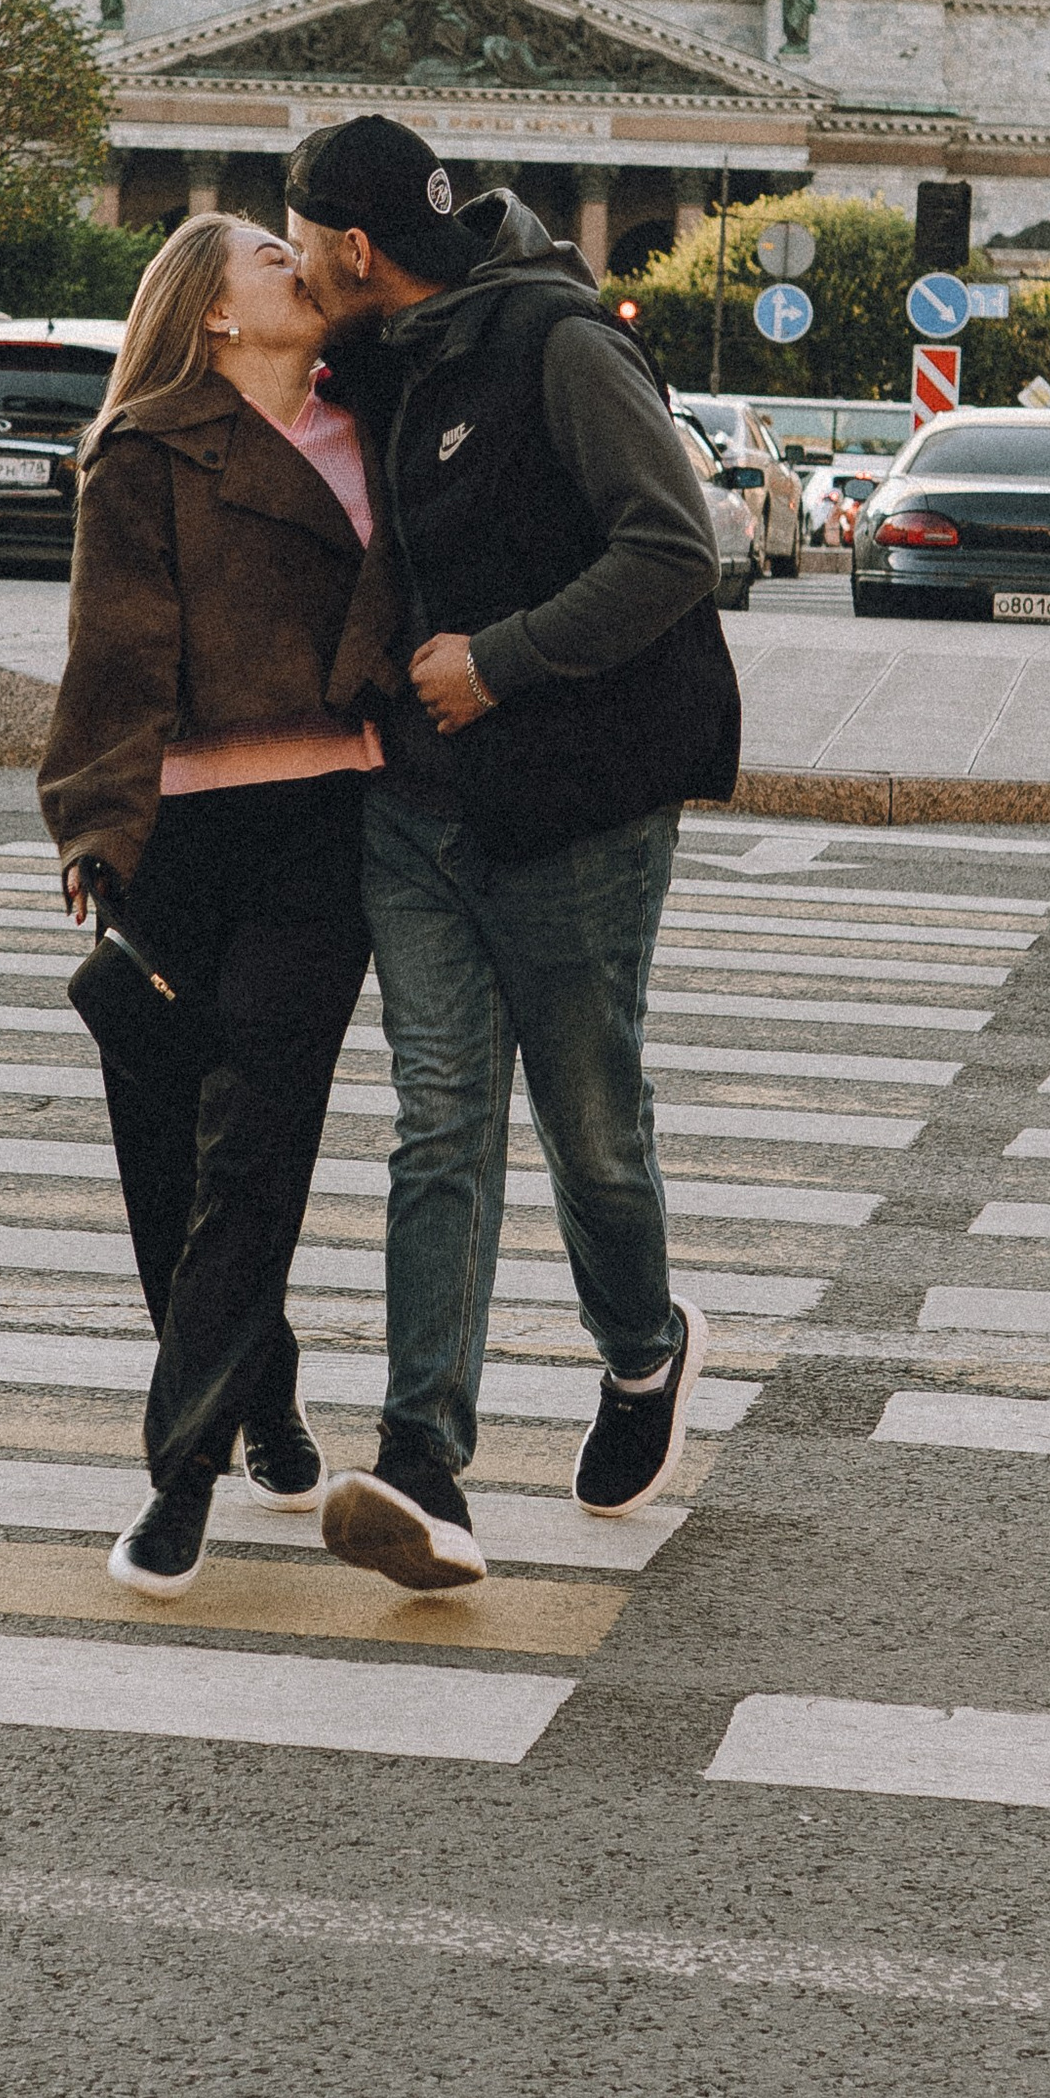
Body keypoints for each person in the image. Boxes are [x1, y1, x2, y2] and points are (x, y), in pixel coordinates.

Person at [287, 116, 743, 1592]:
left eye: (301, 241)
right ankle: (425, 1461)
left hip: (577, 799)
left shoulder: (558, 345)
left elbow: (675, 546)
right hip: (416, 805)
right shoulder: (374, 358)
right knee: (440, 1124)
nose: (294, 268)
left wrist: (502, 660)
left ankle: (642, 1352)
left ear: (358, 249)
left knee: (589, 1122)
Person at [39, 214, 401, 1599]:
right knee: (166, 1163)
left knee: (257, 1143)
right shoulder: (150, 454)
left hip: (328, 830)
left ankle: (177, 1476)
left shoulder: (370, 421)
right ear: (214, 317)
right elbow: (115, 657)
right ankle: (266, 1383)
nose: (291, 262)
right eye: (263, 255)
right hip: (182, 833)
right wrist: (93, 826)